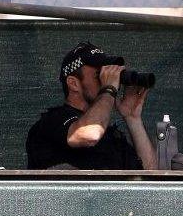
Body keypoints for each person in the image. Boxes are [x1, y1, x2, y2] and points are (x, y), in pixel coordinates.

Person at [26, 41, 157, 170]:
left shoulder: (111, 136)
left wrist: (132, 117)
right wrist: (109, 88)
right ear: (73, 84)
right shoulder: (52, 121)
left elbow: (149, 174)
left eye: (106, 77)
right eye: (99, 75)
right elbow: (90, 134)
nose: (106, 80)